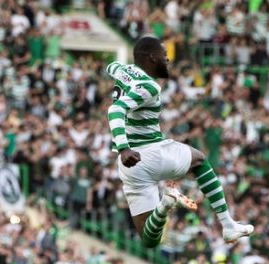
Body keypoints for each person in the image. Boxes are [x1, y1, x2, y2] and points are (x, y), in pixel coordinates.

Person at [106, 36, 254, 248]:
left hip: (131, 169)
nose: (167, 60)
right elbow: (115, 109)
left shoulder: (121, 69)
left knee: (150, 239)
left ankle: (165, 205)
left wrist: (118, 72)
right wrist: (123, 147)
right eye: (164, 56)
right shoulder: (149, 87)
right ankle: (228, 225)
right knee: (200, 160)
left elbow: (111, 66)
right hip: (149, 153)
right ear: (151, 57)